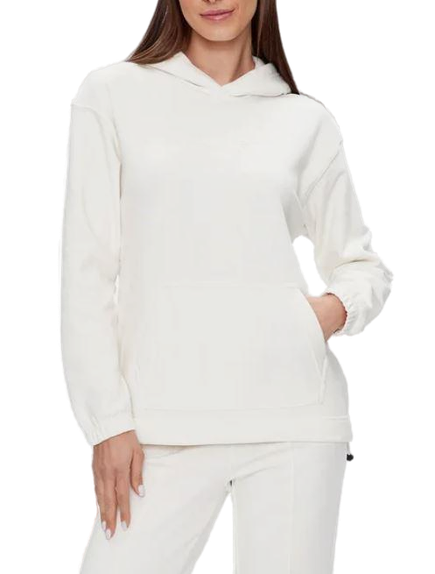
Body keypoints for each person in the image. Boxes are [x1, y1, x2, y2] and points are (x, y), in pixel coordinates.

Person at [58, 1, 394, 572]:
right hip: (159, 425)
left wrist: (325, 314)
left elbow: (363, 264)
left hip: (292, 420)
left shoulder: (303, 120)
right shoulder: (112, 95)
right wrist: (106, 423)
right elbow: (85, 271)